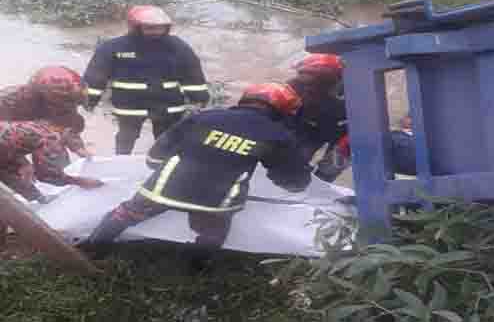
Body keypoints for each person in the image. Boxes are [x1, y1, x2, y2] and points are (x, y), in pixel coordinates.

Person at [82, 82, 312, 254]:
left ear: (246, 98)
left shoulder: (204, 117)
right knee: (212, 236)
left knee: (124, 215)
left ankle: (91, 251)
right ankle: (196, 269)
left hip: (164, 188)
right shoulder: (278, 136)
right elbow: (293, 180)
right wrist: (294, 184)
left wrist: (155, 166)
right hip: (216, 202)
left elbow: (157, 152)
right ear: (281, 110)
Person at [83, 5, 210, 155]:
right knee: (126, 139)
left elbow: (192, 75)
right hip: (130, 106)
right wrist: (89, 101)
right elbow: (96, 77)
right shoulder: (113, 47)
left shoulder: (177, 47)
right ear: (134, 27)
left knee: (167, 142)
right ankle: (120, 164)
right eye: (150, 28)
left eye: (160, 28)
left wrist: (199, 99)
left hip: (168, 106)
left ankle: (160, 169)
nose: (156, 32)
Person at [0, 115, 104, 204]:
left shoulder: (44, 127)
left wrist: (78, 148)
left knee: (20, 173)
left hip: (6, 146)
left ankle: (36, 198)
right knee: (10, 175)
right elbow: (45, 175)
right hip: (4, 152)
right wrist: (79, 181)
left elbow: (12, 143)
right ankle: (36, 200)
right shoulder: (44, 139)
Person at [284, 53, 348, 182]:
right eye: (303, 78)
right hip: (307, 126)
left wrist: (323, 179)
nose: (307, 86)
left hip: (336, 128)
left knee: (340, 155)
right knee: (293, 156)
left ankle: (319, 182)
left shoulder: (349, 100)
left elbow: (348, 144)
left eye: (310, 81)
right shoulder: (292, 89)